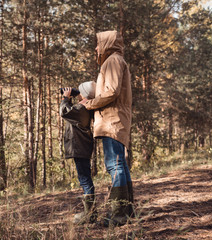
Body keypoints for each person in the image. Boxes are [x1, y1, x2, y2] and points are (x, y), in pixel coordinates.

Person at [80, 30, 134, 227]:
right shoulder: (116, 60)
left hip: (111, 121)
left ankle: (119, 214)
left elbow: (111, 92)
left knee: (115, 165)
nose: (96, 48)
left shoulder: (112, 61)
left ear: (107, 44)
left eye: (98, 44)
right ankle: (127, 210)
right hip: (115, 120)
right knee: (120, 165)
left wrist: (90, 103)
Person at [59, 81, 97, 224]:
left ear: (85, 94)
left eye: (80, 92)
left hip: (79, 148)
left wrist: (66, 98)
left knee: (85, 179)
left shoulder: (81, 109)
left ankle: (90, 213)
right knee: (85, 178)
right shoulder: (86, 107)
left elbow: (64, 111)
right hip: (82, 147)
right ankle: (90, 212)